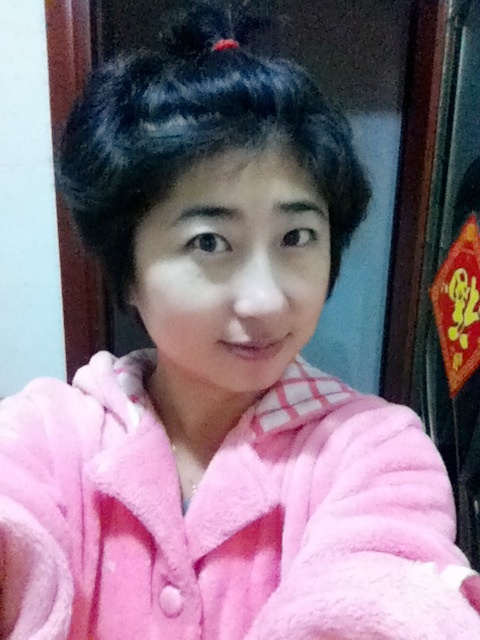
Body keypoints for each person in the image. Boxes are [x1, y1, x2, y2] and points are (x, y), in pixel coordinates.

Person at [1, 3, 480, 639]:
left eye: (297, 236)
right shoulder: (46, 433)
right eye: (209, 242)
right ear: (127, 270)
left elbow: (386, 596)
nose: (264, 300)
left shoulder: (375, 451)